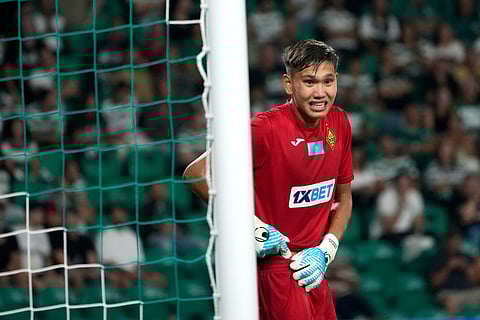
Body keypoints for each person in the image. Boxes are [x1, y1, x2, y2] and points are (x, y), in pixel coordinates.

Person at [183, 39, 353, 320]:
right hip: (274, 268)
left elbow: (343, 197)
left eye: (328, 81)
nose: (320, 92)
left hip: (314, 268)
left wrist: (326, 250)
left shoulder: (339, 123)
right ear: (289, 84)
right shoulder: (265, 129)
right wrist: (251, 226)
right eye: (309, 82)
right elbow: (195, 174)